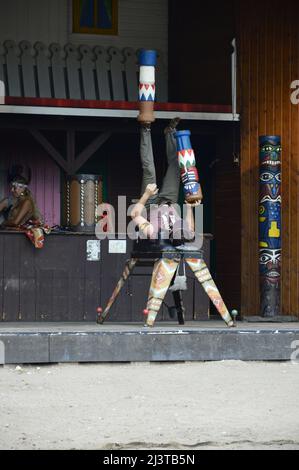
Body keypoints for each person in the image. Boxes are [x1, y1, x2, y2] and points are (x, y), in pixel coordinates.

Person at [130, 118, 202, 247]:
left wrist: (146, 194)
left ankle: (145, 129)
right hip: (169, 201)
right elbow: (190, 229)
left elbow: (134, 214)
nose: (180, 225)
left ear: (172, 234)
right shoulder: (186, 231)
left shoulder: (153, 232)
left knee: (149, 169)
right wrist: (190, 207)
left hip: (150, 203)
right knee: (176, 166)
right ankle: (170, 132)